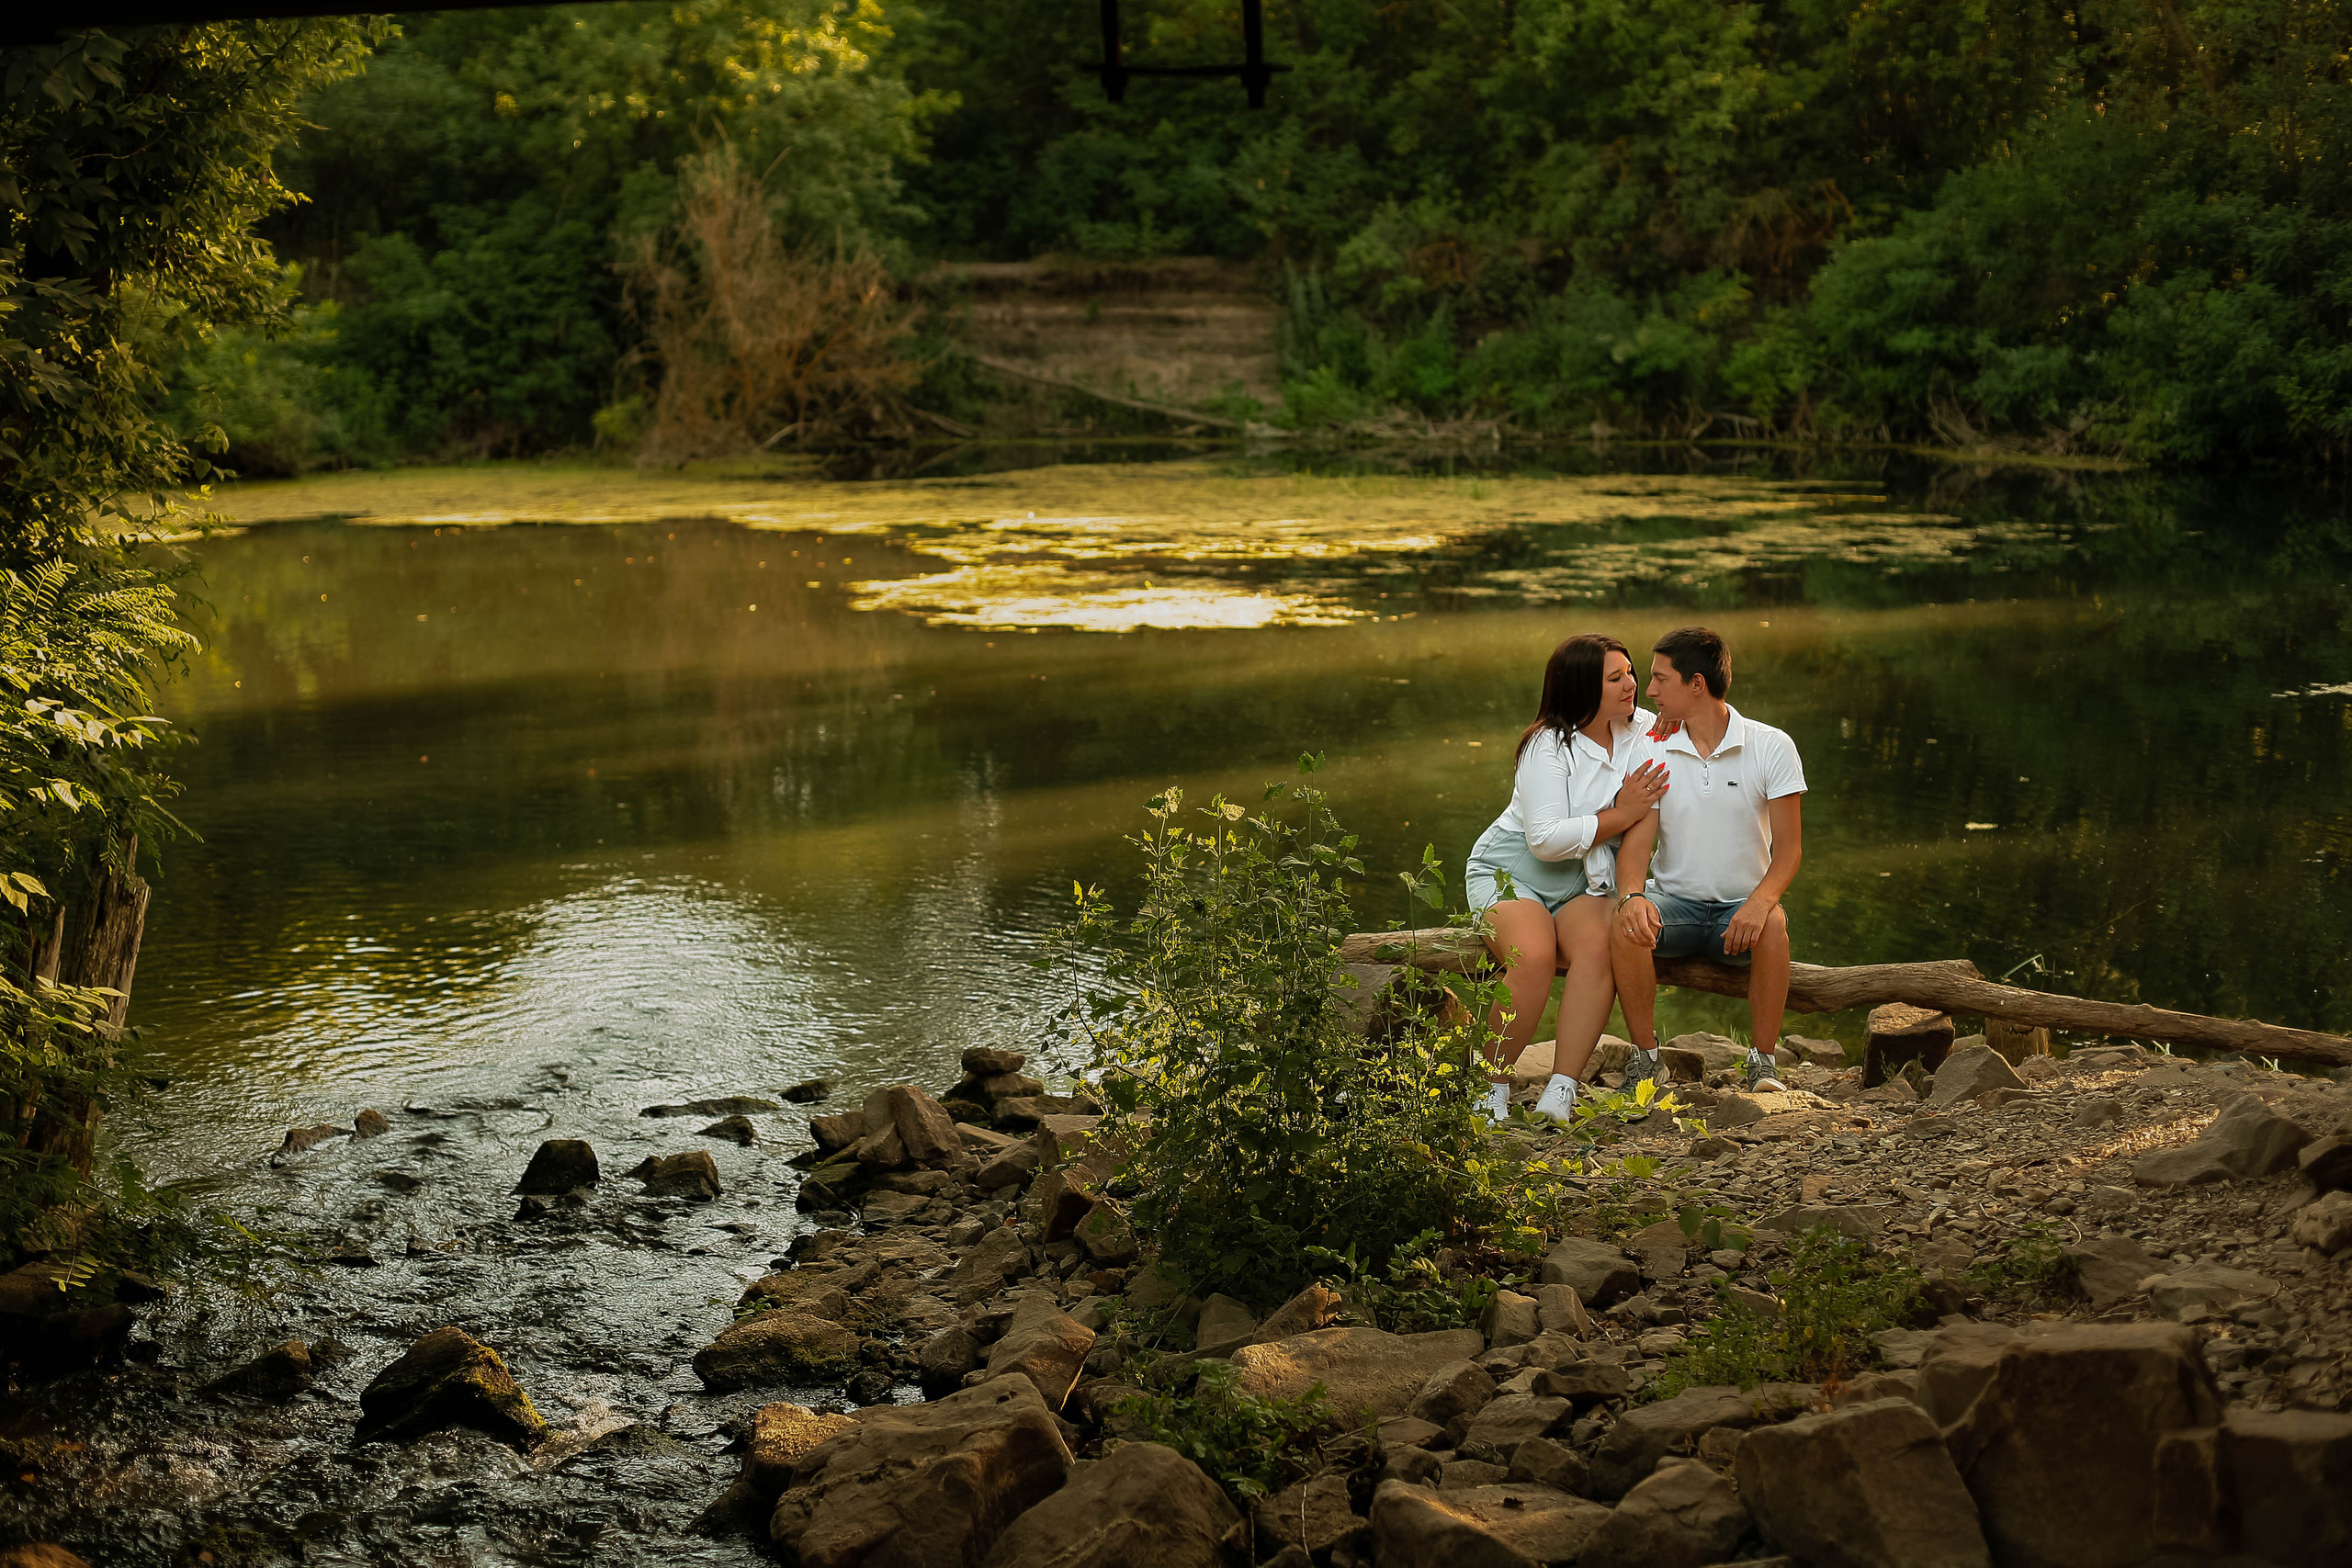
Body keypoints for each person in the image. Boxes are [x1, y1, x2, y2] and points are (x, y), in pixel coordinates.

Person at [1464, 633, 1669, 1124]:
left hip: (1588, 879)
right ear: (1581, 687)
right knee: (1532, 957)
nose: (1632, 685)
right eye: (1615, 678)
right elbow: (1546, 840)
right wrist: (1620, 814)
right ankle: (1490, 1090)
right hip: (1515, 870)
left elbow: (1703, 728)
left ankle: (1561, 1091)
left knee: (1600, 947)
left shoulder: (1645, 731)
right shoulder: (1547, 744)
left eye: (1632, 673)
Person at [1608, 625, 1805, 1094]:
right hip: (1674, 910)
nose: (1648, 691)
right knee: (1624, 922)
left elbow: (1790, 850)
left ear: (1696, 684)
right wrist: (1633, 896)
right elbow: (1637, 842)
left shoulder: (1771, 746)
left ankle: (1762, 1064)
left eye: (1661, 679)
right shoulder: (1652, 745)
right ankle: (1647, 1059)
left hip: (1741, 916)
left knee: (1774, 923)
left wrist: (1758, 905)